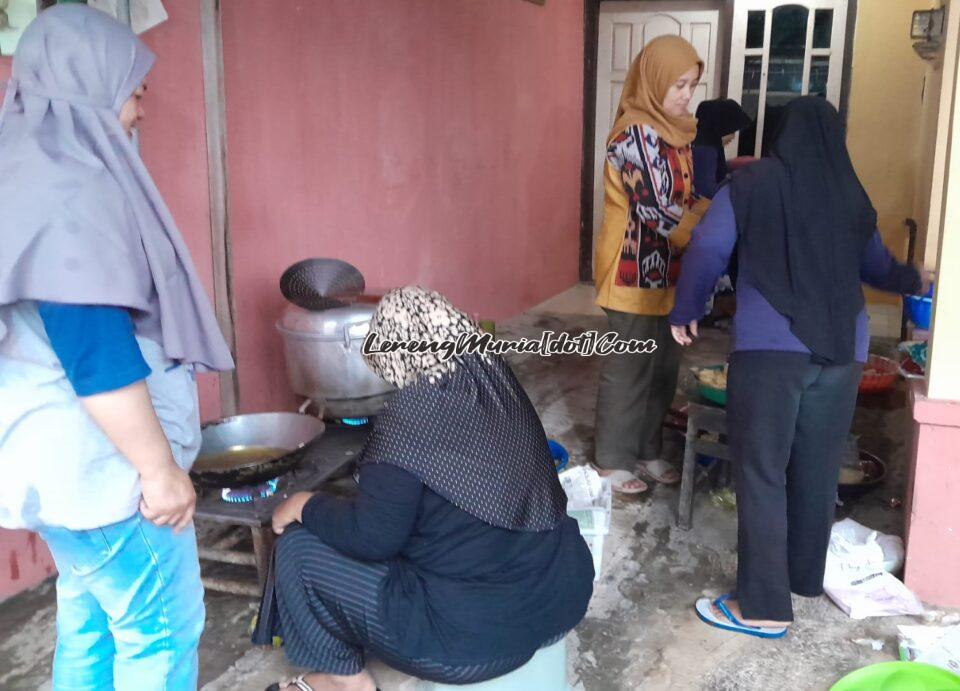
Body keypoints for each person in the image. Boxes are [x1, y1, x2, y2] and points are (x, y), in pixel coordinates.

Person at [0, 5, 234, 688]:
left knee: (91, 619)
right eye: (134, 93)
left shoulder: (19, 168)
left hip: (48, 466)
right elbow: (96, 355)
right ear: (91, 85)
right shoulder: (69, 194)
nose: (139, 111)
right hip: (103, 475)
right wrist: (159, 471)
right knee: (160, 632)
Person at [669, 96, 923, 638]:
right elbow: (877, 266)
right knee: (815, 467)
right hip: (844, 351)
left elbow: (708, 251)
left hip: (771, 349)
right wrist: (914, 279)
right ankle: (803, 580)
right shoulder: (852, 196)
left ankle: (762, 607)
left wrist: (686, 310)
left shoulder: (750, 186)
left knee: (762, 472)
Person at [257, 286, 594, 691]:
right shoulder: (498, 387)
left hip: (466, 646)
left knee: (297, 547)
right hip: (561, 601)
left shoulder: (408, 423)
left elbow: (373, 539)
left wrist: (304, 504)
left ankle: (344, 680)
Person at [593, 35, 710, 495]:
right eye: (677, 84)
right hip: (632, 271)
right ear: (654, 80)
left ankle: (647, 450)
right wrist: (707, 232)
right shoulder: (634, 134)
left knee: (663, 366)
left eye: (691, 86)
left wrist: (712, 213)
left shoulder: (676, 133)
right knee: (629, 368)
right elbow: (657, 209)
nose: (685, 95)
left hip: (670, 272)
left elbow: (686, 198)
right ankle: (612, 459)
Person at [691, 98, 753, 199]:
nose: (733, 137)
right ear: (720, 127)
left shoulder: (704, 143)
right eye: (731, 131)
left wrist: (732, 165)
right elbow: (707, 192)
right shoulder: (706, 151)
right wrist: (735, 181)